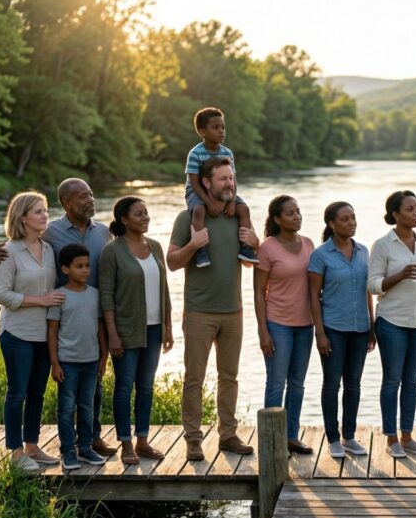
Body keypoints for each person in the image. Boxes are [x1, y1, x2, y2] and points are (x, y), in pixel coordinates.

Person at [0, 178, 116, 457]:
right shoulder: (31, 242)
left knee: (61, 388)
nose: (44, 215)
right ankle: (23, 451)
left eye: (92, 194)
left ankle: (63, 442)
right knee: (26, 392)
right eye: (39, 211)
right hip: (33, 328)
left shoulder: (61, 245)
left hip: (68, 324)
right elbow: (3, 288)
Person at [168, 156, 260, 460]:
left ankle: (228, 435)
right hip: (199, 312)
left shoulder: (239, 217)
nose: (229, 184)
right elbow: (171, 262)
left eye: (231, 178)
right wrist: (194, 245)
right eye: (223, 179)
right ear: (206, 183)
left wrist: (255, 242)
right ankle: (193, 439)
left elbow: (250, 261)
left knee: (229, 377)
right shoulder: (187, 218)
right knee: (194, 377)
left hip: (233, 310)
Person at [99, 196, 173, 466]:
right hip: (126, 330)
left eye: (147, 213)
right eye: (139, 214)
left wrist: (168, 326)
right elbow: (106, 295)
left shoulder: (155, 247)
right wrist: (112, 334)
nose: (145, 217)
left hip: (154, 329)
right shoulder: (112, 251)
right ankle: (126, 443)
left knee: (146, 387)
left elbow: (164, 288)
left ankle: (142, 441)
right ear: (124, 219)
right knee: (123, 387)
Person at [0, 191, 61, 471]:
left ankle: (32, 446)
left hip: (43, 334)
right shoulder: (8, 252)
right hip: (17, 333)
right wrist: (40, 301)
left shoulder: (48, 249)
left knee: (37, 393)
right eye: (38, 212)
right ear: (22, 218)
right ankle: (16, 453)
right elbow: (2, 295)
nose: (45, 215)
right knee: (17, 393)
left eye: (45, 210)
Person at [368, 190, 416, 458]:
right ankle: (391, 438)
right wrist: (400, 275)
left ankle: (407, 436)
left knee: (412, 382)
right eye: (410, 209)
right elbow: (373, 285)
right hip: (392, 321)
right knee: (392, 380)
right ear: (395, 214)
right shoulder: (383, 245)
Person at [309, 201, 375, 460]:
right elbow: (313, 296)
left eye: (353, 218)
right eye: (345, 219)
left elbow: (367, 291)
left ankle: (349, 436)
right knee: (331, 384)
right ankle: (333, 439)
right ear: (332, 224)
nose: (352, 223)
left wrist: (371, 326)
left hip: (360, 329)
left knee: (354, 385)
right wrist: (320, 332)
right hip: (333, 328)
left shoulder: (363, 251)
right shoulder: (321, 254)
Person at [253, 195, 316, 455]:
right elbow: (258, 291)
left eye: (298, 211)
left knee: (298, 384)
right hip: (278, 324)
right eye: (290, 213)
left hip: (306, 324)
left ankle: (291, 436)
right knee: (276, 383)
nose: (297, 216)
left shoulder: (310, 244)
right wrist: (263, 331)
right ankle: (271, 442)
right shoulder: (267, 249)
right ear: (277, 219)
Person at [46, 244, 108, 470]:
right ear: (65, 269)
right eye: (79, 266)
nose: (85, 270)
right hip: (67, 363)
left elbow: (100, 327)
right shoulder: (59, 297)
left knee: (87, 407)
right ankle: (67, 451)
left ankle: (85, 448)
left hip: (91, 361)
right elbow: (52, 331)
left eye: (88, 266)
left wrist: (104, 357)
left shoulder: (94, 295)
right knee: (65, 408)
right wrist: (55, 363)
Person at [185, 107, 258, 267]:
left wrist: (232, 201)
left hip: (224, 191)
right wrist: (209, 202)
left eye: (223, 127)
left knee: (244, 209)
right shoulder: (195, 153)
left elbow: (233, 181)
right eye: (215, 127)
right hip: (198, 192)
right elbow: (195, 183)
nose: (221, 131)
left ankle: (246, 248)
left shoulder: (227, 153)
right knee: (199, 211)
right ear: (203, 132)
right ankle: (200, 250)